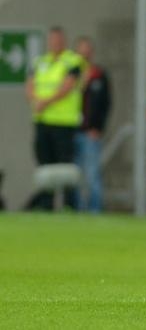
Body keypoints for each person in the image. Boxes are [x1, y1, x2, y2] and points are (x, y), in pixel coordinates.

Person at [26, 26, 84, 210]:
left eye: (58, 39)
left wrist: (45, 102)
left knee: (65, 164)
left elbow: (68, 86)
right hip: (43, 121)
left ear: (63, 41)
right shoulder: (40, 62)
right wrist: (35, 100)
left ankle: (68, 203)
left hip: (64, 123)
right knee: (44, 163)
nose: (55, 43)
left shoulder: (72, 61)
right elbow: (30, 85)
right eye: (52, 40)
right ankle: (46, 203)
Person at [74, 37, 112, 213]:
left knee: (91, 174)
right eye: (81, 50)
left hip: (90, 133)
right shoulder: (70, 75)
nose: (85, 54)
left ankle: (94, 209)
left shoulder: (99, 75)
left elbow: (106, 103)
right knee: (75, 174)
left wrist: (98, 128)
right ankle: (77, 208)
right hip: (71, 131)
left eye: (87, 50)